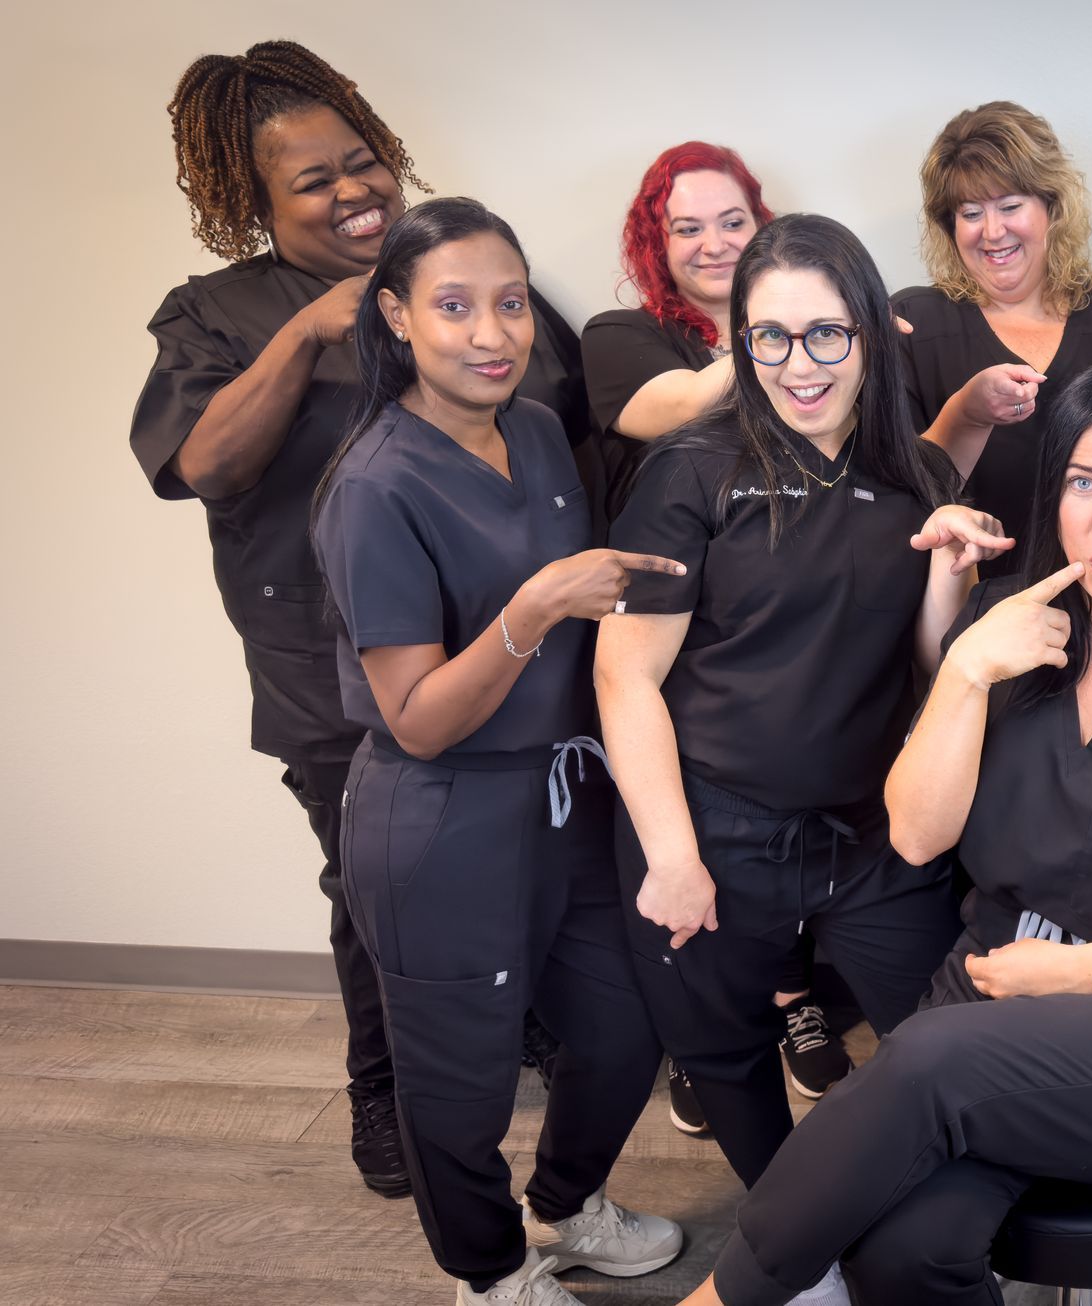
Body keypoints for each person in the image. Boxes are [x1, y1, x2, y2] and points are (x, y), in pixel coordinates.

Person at [671, 358, 1092, 1306]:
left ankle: (731, 1294)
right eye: (1082, 483)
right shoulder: (1006, 630)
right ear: (1052, 494)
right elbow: (912, 836)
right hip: (999, 988)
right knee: (904, 1250)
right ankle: (813, 1273)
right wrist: (963, 675)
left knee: (927, 1057)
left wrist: (1086, 969)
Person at [129, 40, 588, 1199]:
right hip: (331, 676)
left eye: (363, 160)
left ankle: (499, 1026)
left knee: (525, 867)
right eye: (314, 180)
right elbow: (203, 463)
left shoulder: (453, 276)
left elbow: (566, 418)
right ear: (255, 203)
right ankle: (386, 1089)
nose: (355, 191)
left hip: (508, 664)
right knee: (379, 895)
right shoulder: (217, 314)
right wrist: (310, 332)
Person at [597, 212, 1007, 1300]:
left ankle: (906, 1225)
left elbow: (920, 660)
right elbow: (623, 676)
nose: (799, 365)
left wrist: (950, 580)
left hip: (870, 832)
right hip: (716, 828)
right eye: (769, 338)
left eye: (826, 334)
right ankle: (797, 1244)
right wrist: (672, 857)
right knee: (727, 1053)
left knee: (940, 1032)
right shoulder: (692, 473)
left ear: (871, 333)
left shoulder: (913, 470)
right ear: (739, 344)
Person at [311, 196, 688, 1306]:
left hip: (565, 798)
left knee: (622, 1020)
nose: (492, 333)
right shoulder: (376, 486)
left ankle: (566, 1206)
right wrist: (529, 611)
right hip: (441, 816)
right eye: (456, 306)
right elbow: (419, 714)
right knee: (461, 1082)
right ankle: (488, 1271)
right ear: (395, 316)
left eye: (511, 304)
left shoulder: (529, 427)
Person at [581, 142, 853, 1128]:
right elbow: (664, 409)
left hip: (776, 613)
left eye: (731, 220)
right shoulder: (623, 335)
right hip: (672, 625)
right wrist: (802, 338)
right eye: (684, 225)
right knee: (702, 843)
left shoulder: (805, 332)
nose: (711, 241)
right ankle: (710, 1042)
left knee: (790, 827)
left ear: (761, 222)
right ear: (656, 241)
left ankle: (790, 1004)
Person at [894, 101, 1092, 577]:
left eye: (1011, 206)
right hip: (968, 611)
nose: (993, 231)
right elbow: (892, 494)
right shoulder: (914, 326)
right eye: (971, 212)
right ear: (949, 226)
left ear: (1052, 208)